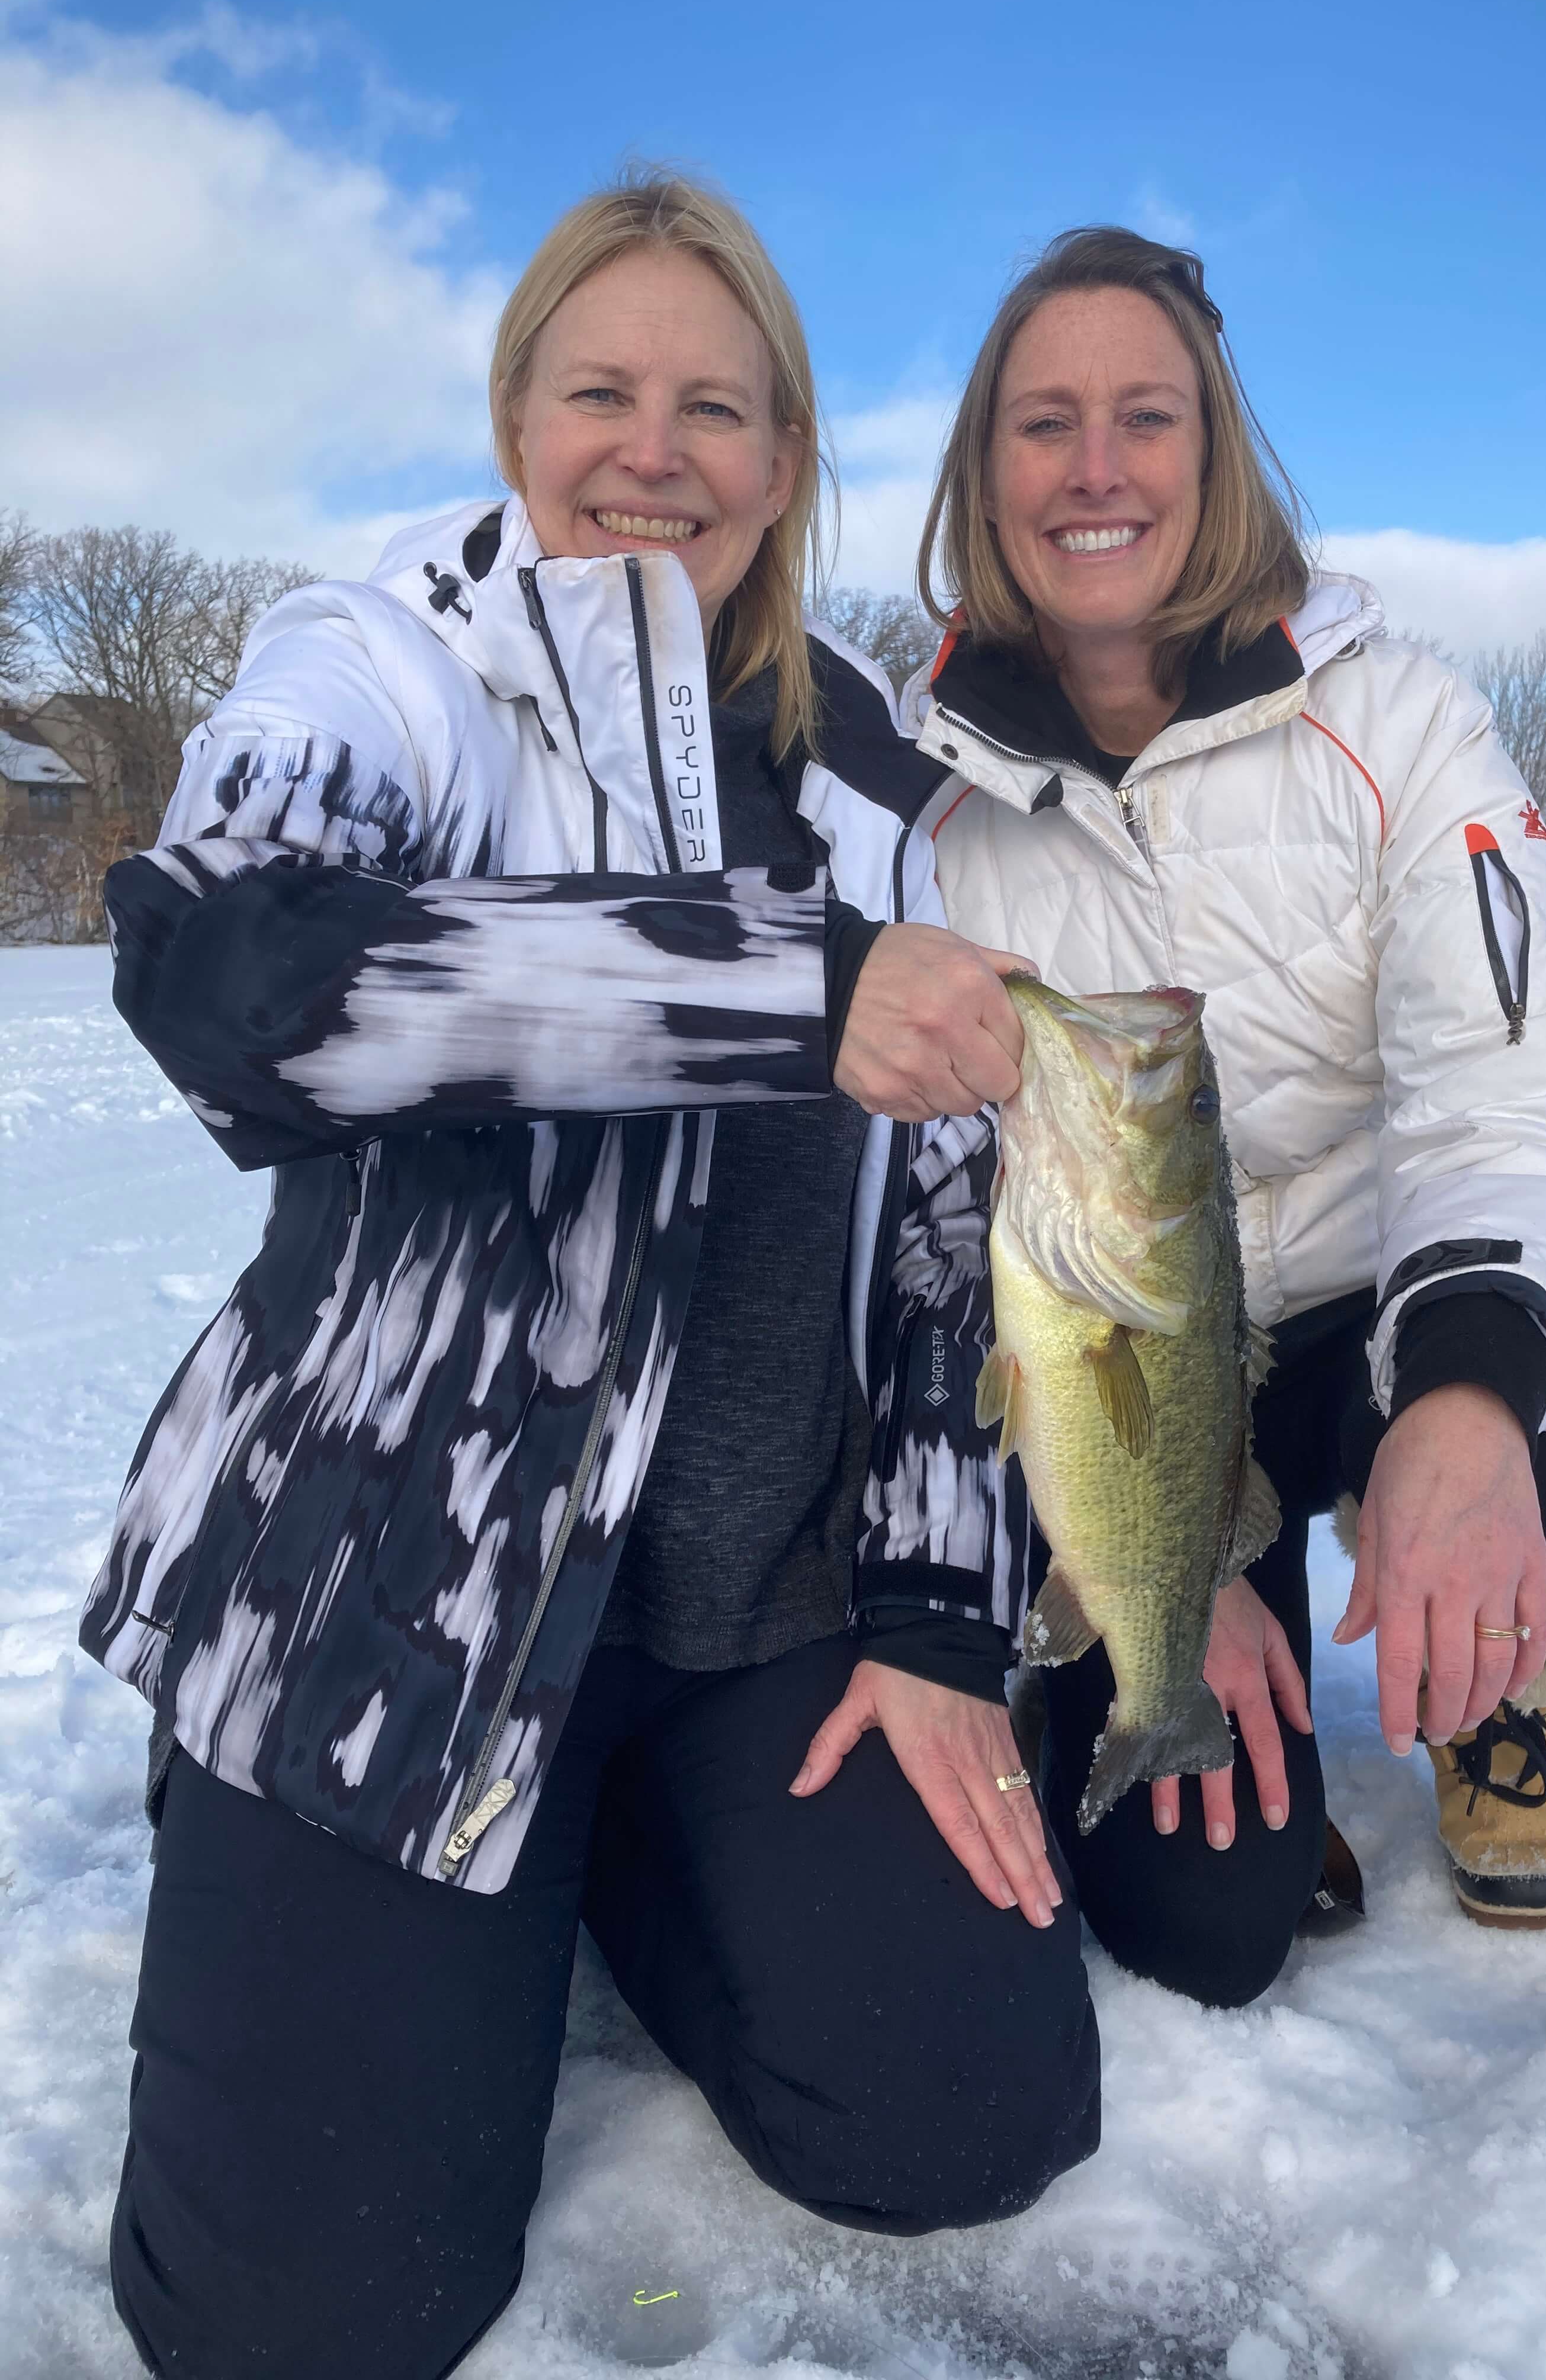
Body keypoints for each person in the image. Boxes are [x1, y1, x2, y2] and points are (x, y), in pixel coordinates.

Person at [82, 172, 1098, 2380]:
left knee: (966, 2114)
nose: (657, 453)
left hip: (751, 1617)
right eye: (601, 395)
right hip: (400, 1598)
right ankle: (291, 1823)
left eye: (717, 408)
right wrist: (781, 990)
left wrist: (939, 1622)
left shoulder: (874, 762)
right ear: (515, 416)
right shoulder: (386, 663)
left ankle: (617, 1842)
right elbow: (229, 975)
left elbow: (953, 1237)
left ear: (787, 461)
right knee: (304, 2323)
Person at [909, 225, 1546, 2005]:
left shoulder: (1399, 715)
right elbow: (915, 1211)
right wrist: (1133, 1550)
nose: (1097, 469)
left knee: (1541, 1451)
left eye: (1147, 417)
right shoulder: (918, 798)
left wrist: (1465, 1403)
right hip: (1121, 1358)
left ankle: (1494, 1686)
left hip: (1359, 1317)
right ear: (984, 474)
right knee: (1208, 1924)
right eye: (1045, 424)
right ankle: (1195, 1692)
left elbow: (1511, 1087)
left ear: (1217, 451)